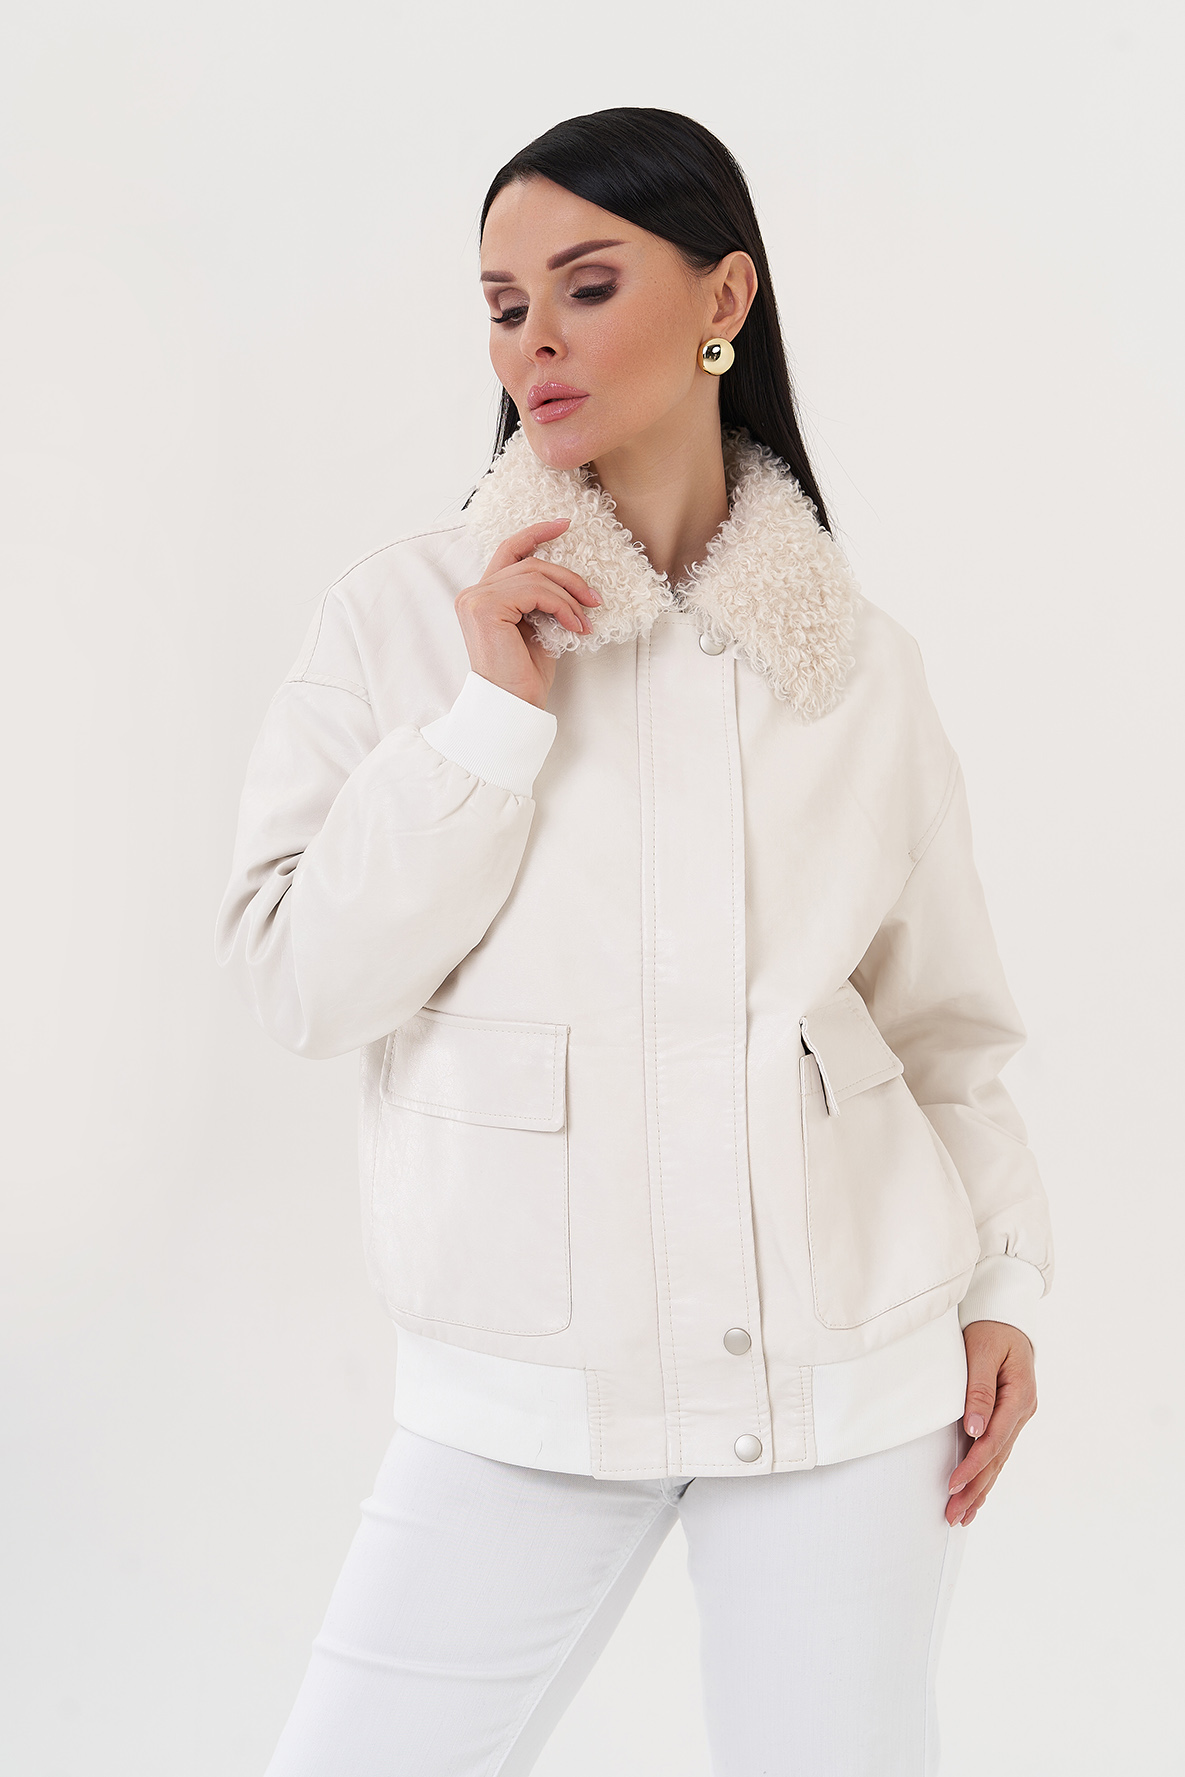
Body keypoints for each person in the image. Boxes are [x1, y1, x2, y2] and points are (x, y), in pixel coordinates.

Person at [216, 107, 1053, 1777]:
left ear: (721, 297)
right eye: (502, 304)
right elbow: (299, 981)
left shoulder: (852, 660)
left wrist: (1005, 1285)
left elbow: (943, 1025)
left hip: (850, 1379)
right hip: (524, 1383)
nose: (531, 339)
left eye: (585, 287)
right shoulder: (408, 618)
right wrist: (484, 727)